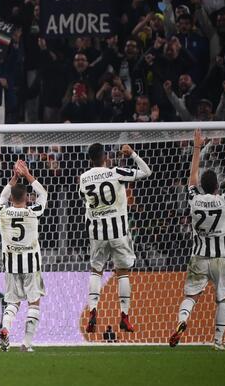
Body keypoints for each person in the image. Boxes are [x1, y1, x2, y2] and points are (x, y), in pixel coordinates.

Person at [169, 130, 225, 351]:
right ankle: (218, 342)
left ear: (202, 186)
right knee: (222, 299)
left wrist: (197, 147)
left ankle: (182, 320)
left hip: (199, 257)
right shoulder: (224, 200)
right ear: (217, 186)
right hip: (221, 259)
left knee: (191, 296)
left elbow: (191, 177)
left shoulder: (193, 199)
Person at [80, 142, 151, 334]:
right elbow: (147, 172)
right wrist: (132, 154)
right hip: (118, 232)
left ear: (90, 159)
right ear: (105, 157)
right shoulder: (116, 172)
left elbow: (84, 198)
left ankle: (93, 311)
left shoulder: (83, 178)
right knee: (123, 272)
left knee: (96, 270)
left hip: (97, 233)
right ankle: (124, 317)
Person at [0, 160, 47, 352]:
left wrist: (14, 178)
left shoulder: (2, 212)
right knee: (34, 302)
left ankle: (5, 329)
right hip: (31, 265)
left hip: (11, 265)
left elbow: (2, 197)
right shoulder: (33, 212)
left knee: (13, 302)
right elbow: (43, 194)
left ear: (11, 198)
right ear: (27, 197)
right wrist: (26, 174)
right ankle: (26, 343)